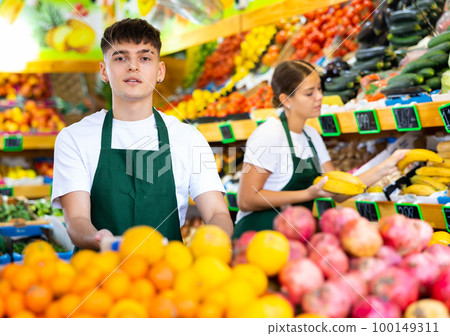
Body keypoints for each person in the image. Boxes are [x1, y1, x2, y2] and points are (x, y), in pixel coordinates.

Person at [51, 18, 233, 250]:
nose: (133, 66)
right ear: (104, 71)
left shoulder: (188, 138)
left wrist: (210, 242)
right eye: (120, 58)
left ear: (160, 71)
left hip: (168, 275)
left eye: (144, 58)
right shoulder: (74, 138)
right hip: (97, 272)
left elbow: (217, 211)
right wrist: (102, 240)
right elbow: (76, 221)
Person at [233, 60, 406, 238]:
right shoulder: (270, 134)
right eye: (309, 93)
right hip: (257, 238)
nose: (319, 97)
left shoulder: (311, 136)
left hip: (291, 240)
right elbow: (247, 200)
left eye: (319, 89)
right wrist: (307, 194)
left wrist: (385, 168)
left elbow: (338, 191)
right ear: (286, 100)